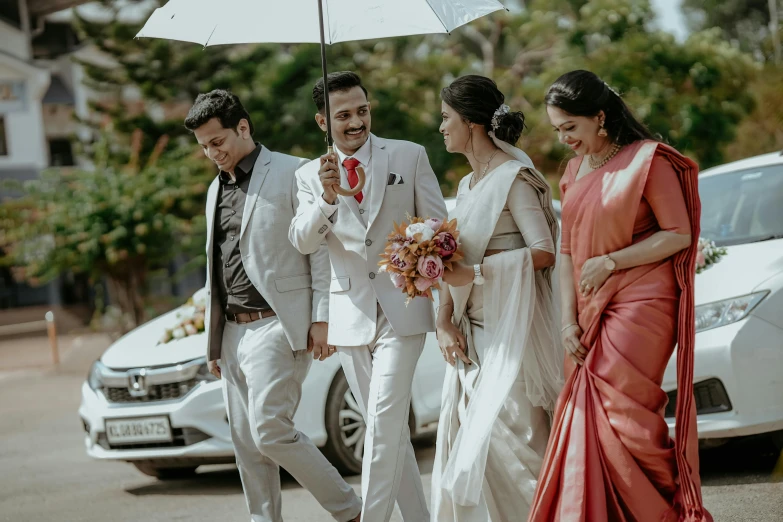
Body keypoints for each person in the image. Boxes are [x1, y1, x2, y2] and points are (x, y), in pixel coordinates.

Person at [528, 70, 712, 521]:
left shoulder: (647, 162)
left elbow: (678, 234)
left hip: (643, 300)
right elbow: (568, 252)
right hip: (589, 309)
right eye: (557, 130)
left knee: (624, 413)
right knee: (586, 413)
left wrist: (612, 261)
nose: (564, 139)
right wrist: (567, 321)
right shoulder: (573, 171)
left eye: (570, 127)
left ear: (600, 118)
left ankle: (663, 511)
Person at [186, 89, 361, 522]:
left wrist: (321, 318)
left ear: (243, 127)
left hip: (276, 324)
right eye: (205, 146)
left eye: (218, 142)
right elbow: (217, 267)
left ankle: (351, 510)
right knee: (247, 443)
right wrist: (213, 344)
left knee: (270, 429)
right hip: (231, 333)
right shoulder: (215, 189)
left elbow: (319, 251)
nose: (213, 153)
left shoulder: (293, 172)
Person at [289, 71, 447, 522]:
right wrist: (326, 198)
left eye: (362, 111)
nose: (356, 122)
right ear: (324, 121)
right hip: (351, 315)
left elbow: (437, 228)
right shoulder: (307, 177)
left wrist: (420, 264)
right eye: (344, 115)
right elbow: (303, 241)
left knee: (380, 418)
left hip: (404, 308)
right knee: (390, 432)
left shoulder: (409, 155)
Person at [430, 75, 564, 522]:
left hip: (514, 334)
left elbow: (544, 251)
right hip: (472, 337)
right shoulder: (468, 186)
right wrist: (444, 320)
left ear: (471, 123)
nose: (441, 126)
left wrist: (480, 273)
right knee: (478, 455)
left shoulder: (515, 179)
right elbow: (455, 262)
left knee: (520, 446)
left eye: (446, 117)